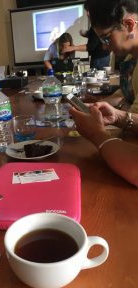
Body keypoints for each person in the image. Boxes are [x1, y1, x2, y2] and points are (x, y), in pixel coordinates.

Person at [69, 0, 138, 188]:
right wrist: (118, 116)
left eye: (107, 38)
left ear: (129, 25)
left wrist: (97, 134)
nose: (106, 47)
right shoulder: (132, 58)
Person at [63, 2, 110, 70]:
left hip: (99, 59)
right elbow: (96, 37)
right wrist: (86, 34)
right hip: (101, 57)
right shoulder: (97, 22)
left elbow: (91, 46)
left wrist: (72, 48)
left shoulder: (97, 24)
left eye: (90, 10)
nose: (87, 13)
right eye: (87, 11)